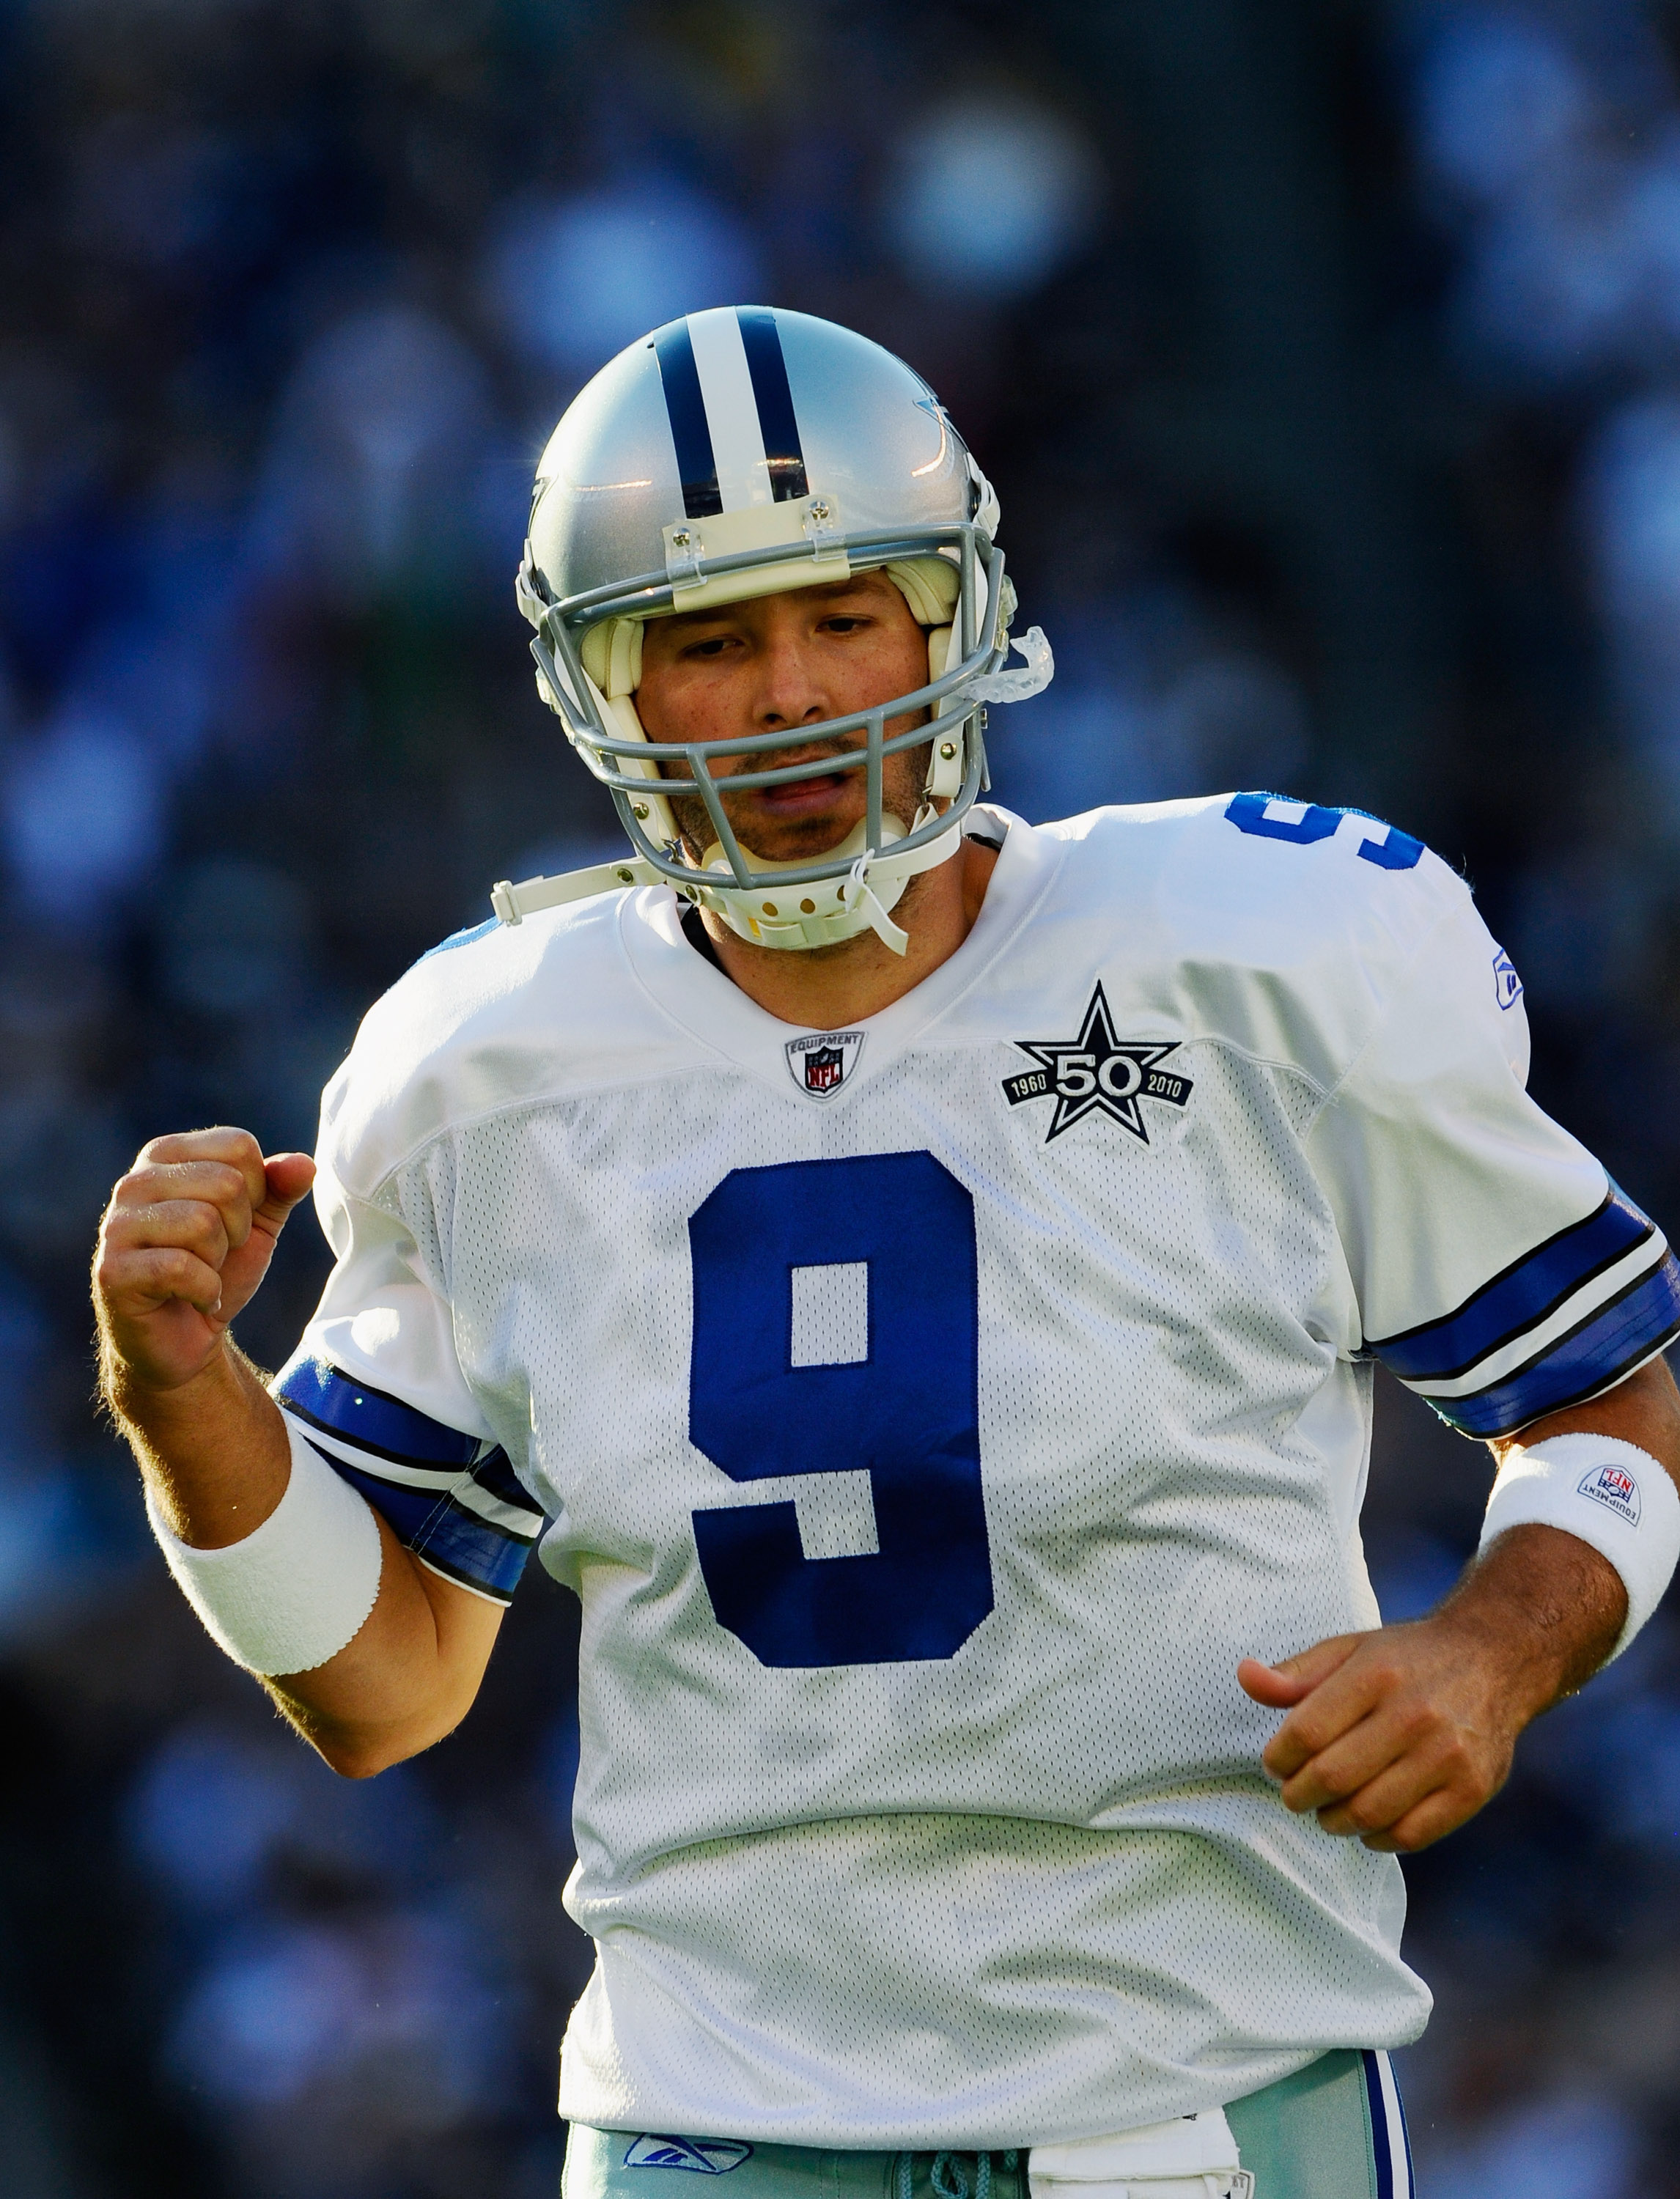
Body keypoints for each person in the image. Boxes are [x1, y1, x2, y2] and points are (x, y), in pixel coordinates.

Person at [95, 308, 1680, 2199]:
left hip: (1202, 2103)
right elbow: (384, 1687)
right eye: (707, 640)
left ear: (953, 614)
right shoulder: (480, 1069)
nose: (789, 694)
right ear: (598, 682)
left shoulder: (1265, 951)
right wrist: (181, 1394)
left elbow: (1608, 1402)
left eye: (842, 615)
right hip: (718, 2121)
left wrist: (1490, 1655)